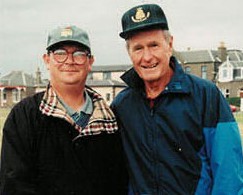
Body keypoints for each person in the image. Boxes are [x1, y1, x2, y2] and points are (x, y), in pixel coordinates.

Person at [111, 4, 243, 195]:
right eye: (138, 48)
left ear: (170, 44)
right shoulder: (122, 105)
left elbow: (229, 173)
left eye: (154, 45)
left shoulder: (206, 96)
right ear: (129, 53)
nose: (147, 57)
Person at [0, 25, 127, 194]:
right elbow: (14, 184)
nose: (69, 61)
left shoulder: (110, 119)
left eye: (79, 54)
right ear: (47, 60)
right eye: (60, 53)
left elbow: (119, 182)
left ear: (90, 62)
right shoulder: (24, 116)